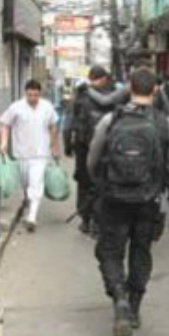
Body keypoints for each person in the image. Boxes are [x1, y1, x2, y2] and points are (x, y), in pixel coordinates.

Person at [88, 67, 169, 336]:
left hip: (114, 200)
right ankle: (135, 307)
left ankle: (119, 299)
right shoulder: (167, 124)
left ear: (130, 88)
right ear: (155, 90)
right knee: (141, 251)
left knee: (110, 251)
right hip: (149, 201)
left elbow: (92, 162)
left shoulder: (111, 120)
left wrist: (102, 185)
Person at [0, 80, 61, 232]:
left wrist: (53, 146)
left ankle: (32, 217)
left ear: (40, 94)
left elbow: (54, 125)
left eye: (35, 95)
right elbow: (4, 124)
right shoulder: (16, 107)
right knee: (26, 184)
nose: (32, 98)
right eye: (29, 95)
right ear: (25, 93)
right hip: (21, 154)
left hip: (41, 154)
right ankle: (28, 201)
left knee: (36, 183)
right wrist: (4, 142)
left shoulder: (47, 107)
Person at [66, 66, 115, 235]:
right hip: (105, 147)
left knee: (84, 182)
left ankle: (85, 219)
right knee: (102, 183)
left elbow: (68, 124)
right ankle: (98, 221)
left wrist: (67, 146)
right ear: (104, 78)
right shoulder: (112, 95)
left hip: (83, 147)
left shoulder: (80, 95)